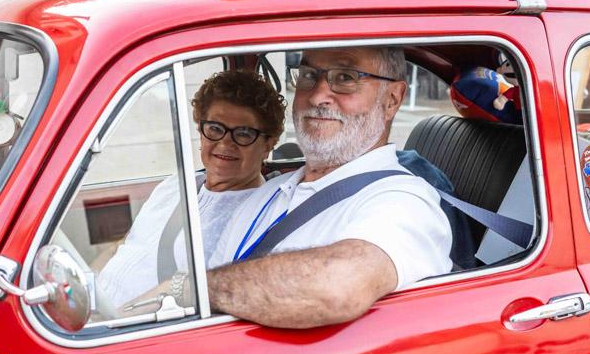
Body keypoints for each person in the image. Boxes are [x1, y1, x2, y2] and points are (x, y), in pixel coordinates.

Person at [204, 46, 453, 328]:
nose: (317, 96)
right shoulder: (270, 191)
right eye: (309, 75)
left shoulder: (406, 201)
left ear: (392, 99)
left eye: (345, 77)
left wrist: (196, 290)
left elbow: (337, 287)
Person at [96, 70, 286, 316]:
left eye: (243, 134)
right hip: (94, 314)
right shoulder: (176, 184)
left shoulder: (259, 216)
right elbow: (124, 245)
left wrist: (111, 321)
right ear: (201, 129)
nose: (225, 143)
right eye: (215, 128)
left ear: (269, 144)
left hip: (135, 329)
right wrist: (83, 285)